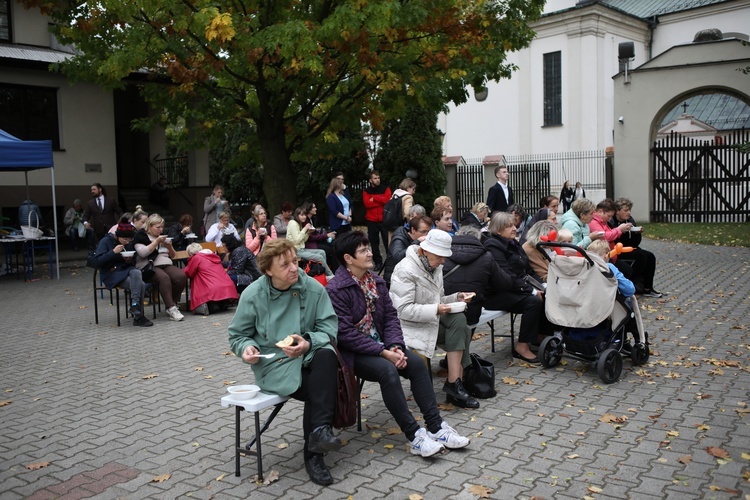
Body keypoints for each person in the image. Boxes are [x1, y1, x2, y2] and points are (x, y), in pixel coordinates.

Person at [326, 231, 470, 457]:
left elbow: (391, 318)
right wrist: (383, 352)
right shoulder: (336, 289)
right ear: (348, 258)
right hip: (354, 353)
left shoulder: (377, 282)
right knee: (387, 372)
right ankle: (414, 435)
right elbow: (344, 335)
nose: (370, 253)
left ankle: (436, 427)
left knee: (417, 365)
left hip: (383, 346)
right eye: (363, 250)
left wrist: (395, 346)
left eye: (368, 248)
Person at [228, 239, 341, 486]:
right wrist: (246, 348)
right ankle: (315, 453)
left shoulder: (312, 288)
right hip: (273, 364)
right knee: (318, 388)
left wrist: (308, 343)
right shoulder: (253, 294)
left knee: (326, 354)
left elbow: (329, 327)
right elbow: (237, 335)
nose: (294, 269)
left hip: (308, 355)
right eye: (285, 265)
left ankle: (319, 435)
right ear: (268, 270)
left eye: (295, 261)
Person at [390, 230, 478, 409]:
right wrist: (436, 309)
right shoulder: (405, 269)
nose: (443, 261)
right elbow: (402, 310)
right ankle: (456, 384)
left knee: (460, 320)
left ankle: (454, 382)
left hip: (431, 321)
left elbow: (438, 300)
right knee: (462, 329)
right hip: (409, 327)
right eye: (440, 256)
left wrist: (456, 298)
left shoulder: (434, 266)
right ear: (425, 251)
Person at [483, 212, 553, 363]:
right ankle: (522, 347)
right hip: (495, 294)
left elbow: (527, 271)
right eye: (509, 226)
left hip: (514, 288)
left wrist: (542, 286)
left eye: (514, 225)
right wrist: (532, 290)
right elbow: (506, 276)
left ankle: (540, 336)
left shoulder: (513, 244)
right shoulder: (493, 246)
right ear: (498, 230)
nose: (514, 228)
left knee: (548, 294)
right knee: (532, 301)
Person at [443, 226, 512, 326]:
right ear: (478, 239)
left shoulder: (442, 254)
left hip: (444, 310)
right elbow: (504, 284)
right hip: (471, 312)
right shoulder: (486, 257)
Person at [93, 221, 153, 327]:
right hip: (110, 274)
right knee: (141, 285)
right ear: (117, 236)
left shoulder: (128, 244)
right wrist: (113, 252)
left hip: (125, 272)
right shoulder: (106, 241)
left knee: (136, 271)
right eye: (124, 239)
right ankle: (138, 316)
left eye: (129, 239)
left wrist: (128, 260)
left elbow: (133, 263)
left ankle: (135, 305)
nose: (127, 242)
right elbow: (97, 262)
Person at [133, 214, 187, 321]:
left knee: (181, 276)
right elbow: (143, 253)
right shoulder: (141, 236)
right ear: (149, 226)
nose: (160, 229)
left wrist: (169, 246)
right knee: (164, 278)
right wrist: (156, 242)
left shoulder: (163, 237)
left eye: (162, 227)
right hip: (149, 267)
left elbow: (173, 256)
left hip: (166, 264)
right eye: (158, 227)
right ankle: (171, 308)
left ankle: (172, 304)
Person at [608, 198, 662, 298]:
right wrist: (621, 231)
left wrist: (636, 234)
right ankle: (631, 286)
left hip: (630, 247)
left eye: (629, 210)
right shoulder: (611, 221)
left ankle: (647, 288)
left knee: (650, 256)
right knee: (640, 257)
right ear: (617, 211)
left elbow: (635, 243)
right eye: (625, 210)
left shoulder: (630, 220)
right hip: (617, 249)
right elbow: (612, 239)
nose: (628, 213)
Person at [183, 243, 239, 315]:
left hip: (211, 288)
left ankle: (211, 306)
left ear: (190, 254)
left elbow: (189, 272)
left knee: (197, 277)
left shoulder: (196, 258)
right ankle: (222, 303)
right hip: (226, 286)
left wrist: (180, 271)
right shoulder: (213, 256)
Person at [382, 215, 432, 287]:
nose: (426, 235)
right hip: (394, 280)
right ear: (413, 230)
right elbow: (398, 257)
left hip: (410, 277)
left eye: (428, 232)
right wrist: (417, 242)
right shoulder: (399, 239)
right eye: (423, 232)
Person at [286, 207, 335, 279]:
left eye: (305, 215)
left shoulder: (299, 224)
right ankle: (330, 275)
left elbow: (303, 240)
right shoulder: (293, 224)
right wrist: (305, 229)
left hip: (301, 249)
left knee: (322, 252)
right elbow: (296, 240)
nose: (304, 217)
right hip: (295, 251)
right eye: (302, 215)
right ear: (297, 215)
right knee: (319, 257)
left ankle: (322, 273)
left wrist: (308, 233)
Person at [362, 170, 392, 271]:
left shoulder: (385, 189)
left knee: (387, 242)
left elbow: (387, 200)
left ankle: (390, 262)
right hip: (371, 220)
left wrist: (374, 198)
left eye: (378, 178)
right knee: (374, 243)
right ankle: (378, 262)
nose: (377, 180)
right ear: (370, 180)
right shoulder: (366, 191)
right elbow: (367, 204)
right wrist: (381, 199)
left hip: (384, 219)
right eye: (375, 178)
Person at [301, 201, 336, 271]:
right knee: (331, 250)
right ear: (309, 209)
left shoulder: (311, 219)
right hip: (310, 244)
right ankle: (331, 270)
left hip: (315, 242)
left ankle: (333, 269)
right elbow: (310, 238)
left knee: (334, 245)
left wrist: (326, 235)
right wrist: (326, 236)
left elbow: (314, 233)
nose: (316, 209)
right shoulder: (305, 221)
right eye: (314, 207)